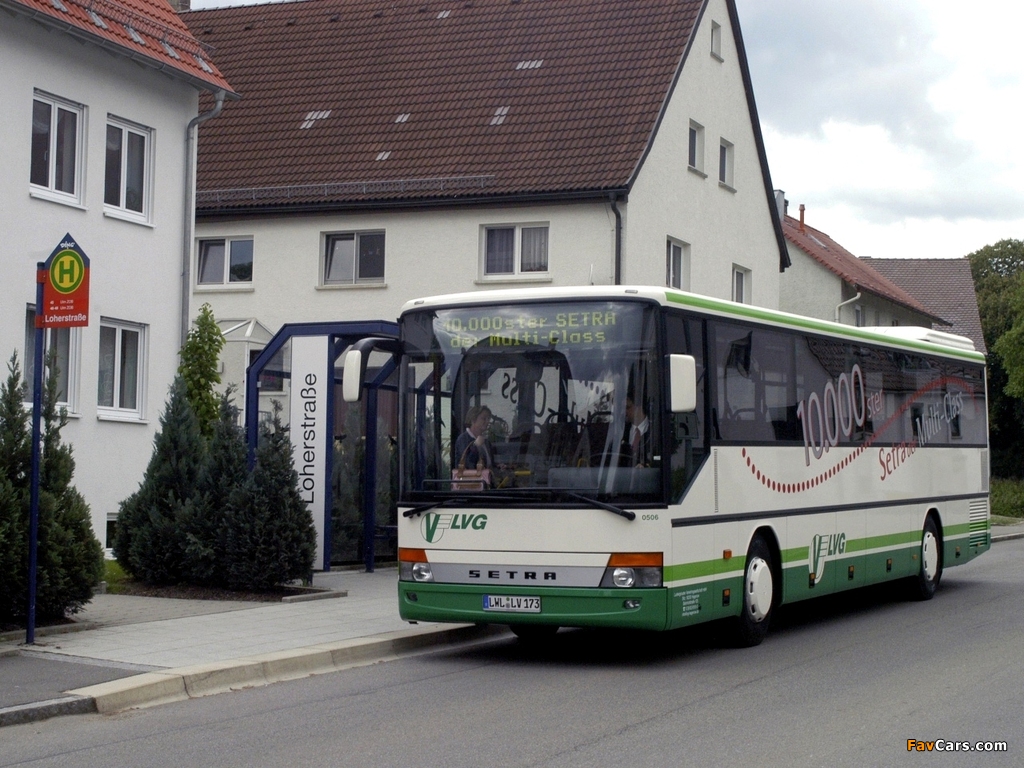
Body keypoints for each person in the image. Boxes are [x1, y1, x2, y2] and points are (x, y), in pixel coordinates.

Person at [454, 405, 494, 470]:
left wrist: (498, 466)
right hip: (471, 476)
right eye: (484, 418)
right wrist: (475, 446)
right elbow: (467, 463)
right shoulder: (463, 439)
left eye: (488, 419)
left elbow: (489, 463)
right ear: (473, 420)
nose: (487, 421)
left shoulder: (486, 441)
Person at [624, 397, 651, 467]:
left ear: (640, 408)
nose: (625, 412)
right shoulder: (621, 431)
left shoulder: (656, 430)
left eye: (628, 407)